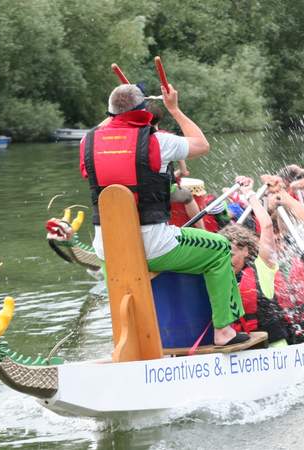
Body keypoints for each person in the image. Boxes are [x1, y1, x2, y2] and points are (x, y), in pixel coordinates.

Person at [80, 83, 248, 346]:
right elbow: (202, 145)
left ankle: (128, 341)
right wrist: (174, 108)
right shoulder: (157, 141)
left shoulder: (87, 142)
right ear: (143, 111)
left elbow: (108, 127)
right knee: (221, 248)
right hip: (154, 245)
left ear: (111, 113)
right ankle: (223, 331)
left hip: (107, 251)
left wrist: (119, 109)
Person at [219, 176, 289, 347]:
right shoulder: (219, 276)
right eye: (223, 256)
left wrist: (249, 194)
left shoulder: (262, 266)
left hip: (275, 346)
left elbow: (266, 226)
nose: (227, 261)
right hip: (242, 350)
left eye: (231, 254)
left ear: (245, 250)